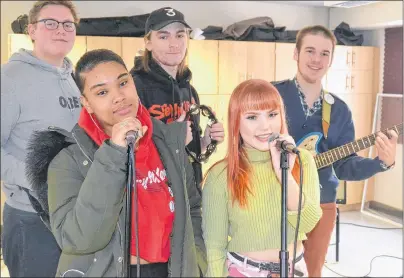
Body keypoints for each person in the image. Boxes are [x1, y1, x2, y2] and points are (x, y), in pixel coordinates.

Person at [25, 49, 207, 277]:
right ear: (86, 103)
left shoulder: (169, 142)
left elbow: (193, 208)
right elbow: (77, 239)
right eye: (102, 92)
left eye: (123, 83)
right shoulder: (68, 159)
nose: (119, 96)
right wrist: (114, 152)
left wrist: (196, 263)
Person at [272, 25, 398, 277]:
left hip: (322, 202)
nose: (316, 59)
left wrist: (381, 163)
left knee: (313, 271)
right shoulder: (272, 94)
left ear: (331, 59)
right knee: (274, 269)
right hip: (275, 198)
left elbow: (344, 165)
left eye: (324, 53)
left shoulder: (339, 110)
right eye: (309, 51)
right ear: (296, 54)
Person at [202, 79, 322, 277]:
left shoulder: (302, 161)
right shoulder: (220, 175)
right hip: (244, 271)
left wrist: (285, 175)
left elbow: (308, 223)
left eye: (272, 114)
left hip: (294, 269)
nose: (265, 126)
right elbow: (215, 247)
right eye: (252, 117)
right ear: (235, 122)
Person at [1, 1, 80, 276]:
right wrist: (34, 176)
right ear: (32, 30)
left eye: (67, 24)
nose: (60, 30)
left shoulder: (72, 78)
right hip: (31, 219)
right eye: (51, 23)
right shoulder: (9, 78)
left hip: (72, 214)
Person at [130, 7, 225, 189]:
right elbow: (130, 150)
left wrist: (205, 141)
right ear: (148, 43)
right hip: (155, 194)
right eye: (164, 36)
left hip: (191, 191)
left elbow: (190, 148)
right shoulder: (135, 88)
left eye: (180, 35)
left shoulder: (189, 90)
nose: (174, 44)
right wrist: (173, 141)